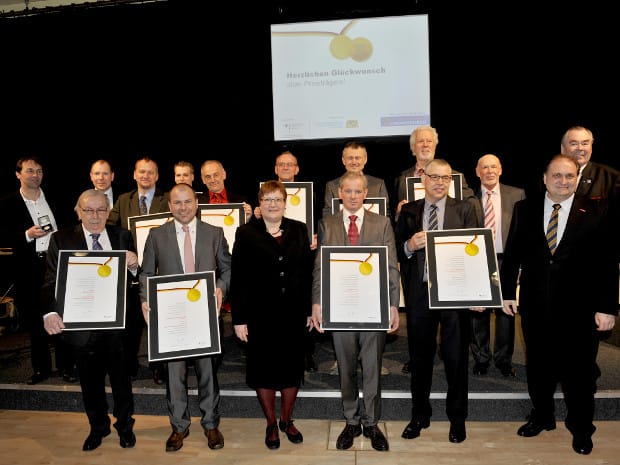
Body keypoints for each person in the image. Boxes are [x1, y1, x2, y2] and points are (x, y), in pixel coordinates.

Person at [500, 154, 618, 456]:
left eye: (569, 176)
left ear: (576, 179)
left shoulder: (597, 210)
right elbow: (512, 254)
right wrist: (507, 292)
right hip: (535, 307)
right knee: (539, 368)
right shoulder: (524, 208)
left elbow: (606, 263)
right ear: (544, 178)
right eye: (557, 175)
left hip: (581, 311)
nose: (563, 181)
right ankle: (542, 416)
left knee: (579, 373)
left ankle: (581, 428)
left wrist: (608, 307)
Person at [41, 189, 138, 451]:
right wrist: (50, 312)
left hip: (117, 326)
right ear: (78, 212)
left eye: (101, 210)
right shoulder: (61, 239)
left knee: (121, 382)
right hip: (81, 326)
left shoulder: (122, 236)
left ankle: (125, 426)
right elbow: (50, 280)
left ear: (108, 212)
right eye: (88, 210)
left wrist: (133, 266)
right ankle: (98, 427)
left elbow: (134, 279)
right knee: (90, 383)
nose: (95, 216)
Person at [311, 171, 400, 452]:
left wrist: (393, 304)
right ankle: (351, 420)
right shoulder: (327, 224)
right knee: (346, 367)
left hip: (373, 308)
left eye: (357, 191)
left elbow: (391, 266)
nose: (352, 196)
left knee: (372, 367)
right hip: (340, 307)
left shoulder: (382, 223)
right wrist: (317, 303)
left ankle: (371, 423)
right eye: (347, 191)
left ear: (365, 194)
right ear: (339, 194)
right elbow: (320, 267)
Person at [139, 182, 231, 453]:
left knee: (208, 372)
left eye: (188, 201)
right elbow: (146, 273)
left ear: (196, 203)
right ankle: (179, 426)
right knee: (174, 373)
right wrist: (145, 299)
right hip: (172, 317)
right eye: (177, 203)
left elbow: (227, 269)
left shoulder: (214, 233)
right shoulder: (157, 235)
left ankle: (211, 424)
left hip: (205, 315)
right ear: (169, 206)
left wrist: (221, 288)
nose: (183, 207)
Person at [394, 159, 481, 444]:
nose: (440, 183)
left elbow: (476, 251)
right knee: (420, 359)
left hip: (454, 295)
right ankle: (420, 415)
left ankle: (457, 419)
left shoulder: (465, 209)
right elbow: (395, 250)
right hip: (420, 294)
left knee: (456, 358)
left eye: (446, 178)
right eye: (435, 177)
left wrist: (477, 292)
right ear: (423, 179)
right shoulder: (409, 210)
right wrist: (409, 246)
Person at [230, 180, 314, 450]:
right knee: (263, 370)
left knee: (291, 368)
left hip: (293, 314)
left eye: (278, 199)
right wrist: (239, 319)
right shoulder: (245, 233)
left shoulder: (299, 229)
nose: (273, 204)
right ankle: (270, 422)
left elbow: (307, 272)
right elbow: (238, 278)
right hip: (259, 316)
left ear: (285, 203)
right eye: (268, 199)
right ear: (260, 203)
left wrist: (310, 309)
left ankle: (287, 420)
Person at [0, 156, 74, 385]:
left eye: (39, 171)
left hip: (56, 263)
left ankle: (66, 366)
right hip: (28, 266)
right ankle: (41, 369)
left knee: (61, 313)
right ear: (18, 174)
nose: (36, 175)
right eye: (30, 171)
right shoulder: (7, 203)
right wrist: (27, 235)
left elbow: (70, 227)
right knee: (35, 319)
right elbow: (3, 236)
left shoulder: (56, 198)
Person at [560, 126, 620, 390]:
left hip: (591, 273)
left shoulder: (611, 178)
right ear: (563, 148)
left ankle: (584, 376)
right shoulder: (553, 174)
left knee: (587, 334)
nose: (580, 148)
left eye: (585, 143)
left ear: (592, 146)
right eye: (574, 143)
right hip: (558, 271)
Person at [254, 150, 319, 372]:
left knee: (301, 298)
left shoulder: (309, 193)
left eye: (289, 164)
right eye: (281, 164)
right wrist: (255, 214)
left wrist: (316, 237)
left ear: (297, 169)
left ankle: (306, 353)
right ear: (275, 168)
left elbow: (316, 221)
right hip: (272, 258)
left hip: (299, 249)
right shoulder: (266, 192)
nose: (285, 167)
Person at [107, 156, 169, 383]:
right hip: (132, 270)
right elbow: (109, 227)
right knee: (132, 322)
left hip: (161, 268)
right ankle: (130, 365)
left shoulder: (167, 199)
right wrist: (124, 252)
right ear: (134, 174)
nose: (145, 176)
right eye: (141, 171)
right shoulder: (124, 199)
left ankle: (159, 367)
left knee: (159, 322)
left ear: (157, 176)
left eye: (150, 172)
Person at [470, 154, 525, 377]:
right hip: (478, 260)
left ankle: (503, 360)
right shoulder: (468, 197)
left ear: (500, 170)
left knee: (506, 312)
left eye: (493, 167)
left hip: (507, 260)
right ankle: (481, 359)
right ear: (477, 172)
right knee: (478, 312)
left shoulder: (517, 194)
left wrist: (520, 266)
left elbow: (523, 233)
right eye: (485, 167)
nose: (489, 171)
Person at [322, 141, 391, 220]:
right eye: (350, 158)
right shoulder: (332, 186)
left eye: (358, 158)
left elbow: (386, 216)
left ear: (365, 159)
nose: (354, 162)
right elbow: (327, 218)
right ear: (343, 160)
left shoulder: (378, 185)